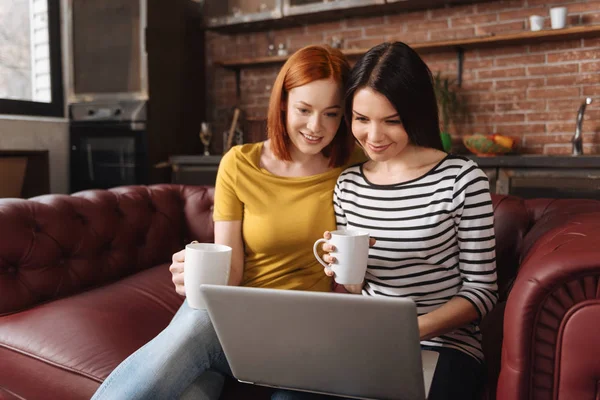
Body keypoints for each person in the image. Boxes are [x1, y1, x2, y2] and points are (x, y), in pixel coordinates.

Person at [91, 44, 363, 400]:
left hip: (304, 330)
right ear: (282, 103)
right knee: (195, 345)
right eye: (304, 109)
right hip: (231, 322)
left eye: (331, 113)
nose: (316, 126)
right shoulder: (239, 163)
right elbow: (230, 273)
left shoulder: (353, 166)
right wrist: (193, 275)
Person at [273, 42, 498, 400]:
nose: (373, 137)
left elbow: (482, 290)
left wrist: (410, 330)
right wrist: (342, 270)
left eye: (391, 121)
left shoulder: (461, 178)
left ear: (415, 114)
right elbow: (354, 290)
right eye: (362, 119)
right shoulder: (348, 184)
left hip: (445, 346)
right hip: (367, 342)